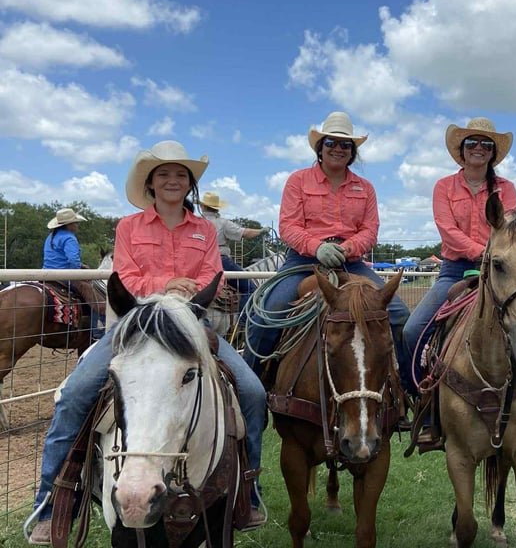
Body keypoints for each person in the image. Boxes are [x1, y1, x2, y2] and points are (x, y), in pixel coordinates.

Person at [27, 141, 267, 545]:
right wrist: (167, 285)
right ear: (150, 183)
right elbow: (125, 277)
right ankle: (53, 503)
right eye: (164, 174)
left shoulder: (205, 230)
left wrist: (190, 292)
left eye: (180, 175)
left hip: (189, 324)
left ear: (189, 185)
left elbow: (214, 276)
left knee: (253, 392)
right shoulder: (129, 227)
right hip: (135, 326)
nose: (173, 180)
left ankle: (247, 491)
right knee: (76, 394)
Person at [401, 117, 516, 441]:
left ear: (493, 152)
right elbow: (447, 231)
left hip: (503, 269)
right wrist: (483, 253)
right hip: (456, 269)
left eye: (485, 144)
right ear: (461, 150)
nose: (478, 148)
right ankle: (425, 410)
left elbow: (511, 231)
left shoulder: (506, 189)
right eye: (472, 143)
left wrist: (497, 258)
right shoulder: (443, 187)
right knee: (413, 331)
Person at [244, 111, 410, 375]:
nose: (338, 148)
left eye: (345, 144)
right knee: (268, 313)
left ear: (352, 152)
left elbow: (370, 230)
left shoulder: (366, 188)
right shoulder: (298, 181)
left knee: (399, 314)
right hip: (302, 262)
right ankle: (251, 386)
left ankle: (404, 386)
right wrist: (317, 247)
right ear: (320, 148)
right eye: (331, 142)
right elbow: (288, 226)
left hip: (350, 263)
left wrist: (348, 248)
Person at [199, 191, 268, 321]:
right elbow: (245, 233)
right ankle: (242, 323)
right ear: (217, 207)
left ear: (202, 206)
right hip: (220, 261)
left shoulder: (195, 222)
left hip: (196, 262)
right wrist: (261, 231)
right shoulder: (222, 223)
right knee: (250, 288)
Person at [42, 208, 105, 341]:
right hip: (65, 277)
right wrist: (79, 269)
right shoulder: (69, 238)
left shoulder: (51, 237)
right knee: (98, 299)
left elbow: (59, 258)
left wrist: (81, 265)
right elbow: (72, 261)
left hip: (47, 275)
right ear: (68, 225)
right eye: (75, 222)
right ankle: (98, 332)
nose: (77, 225)